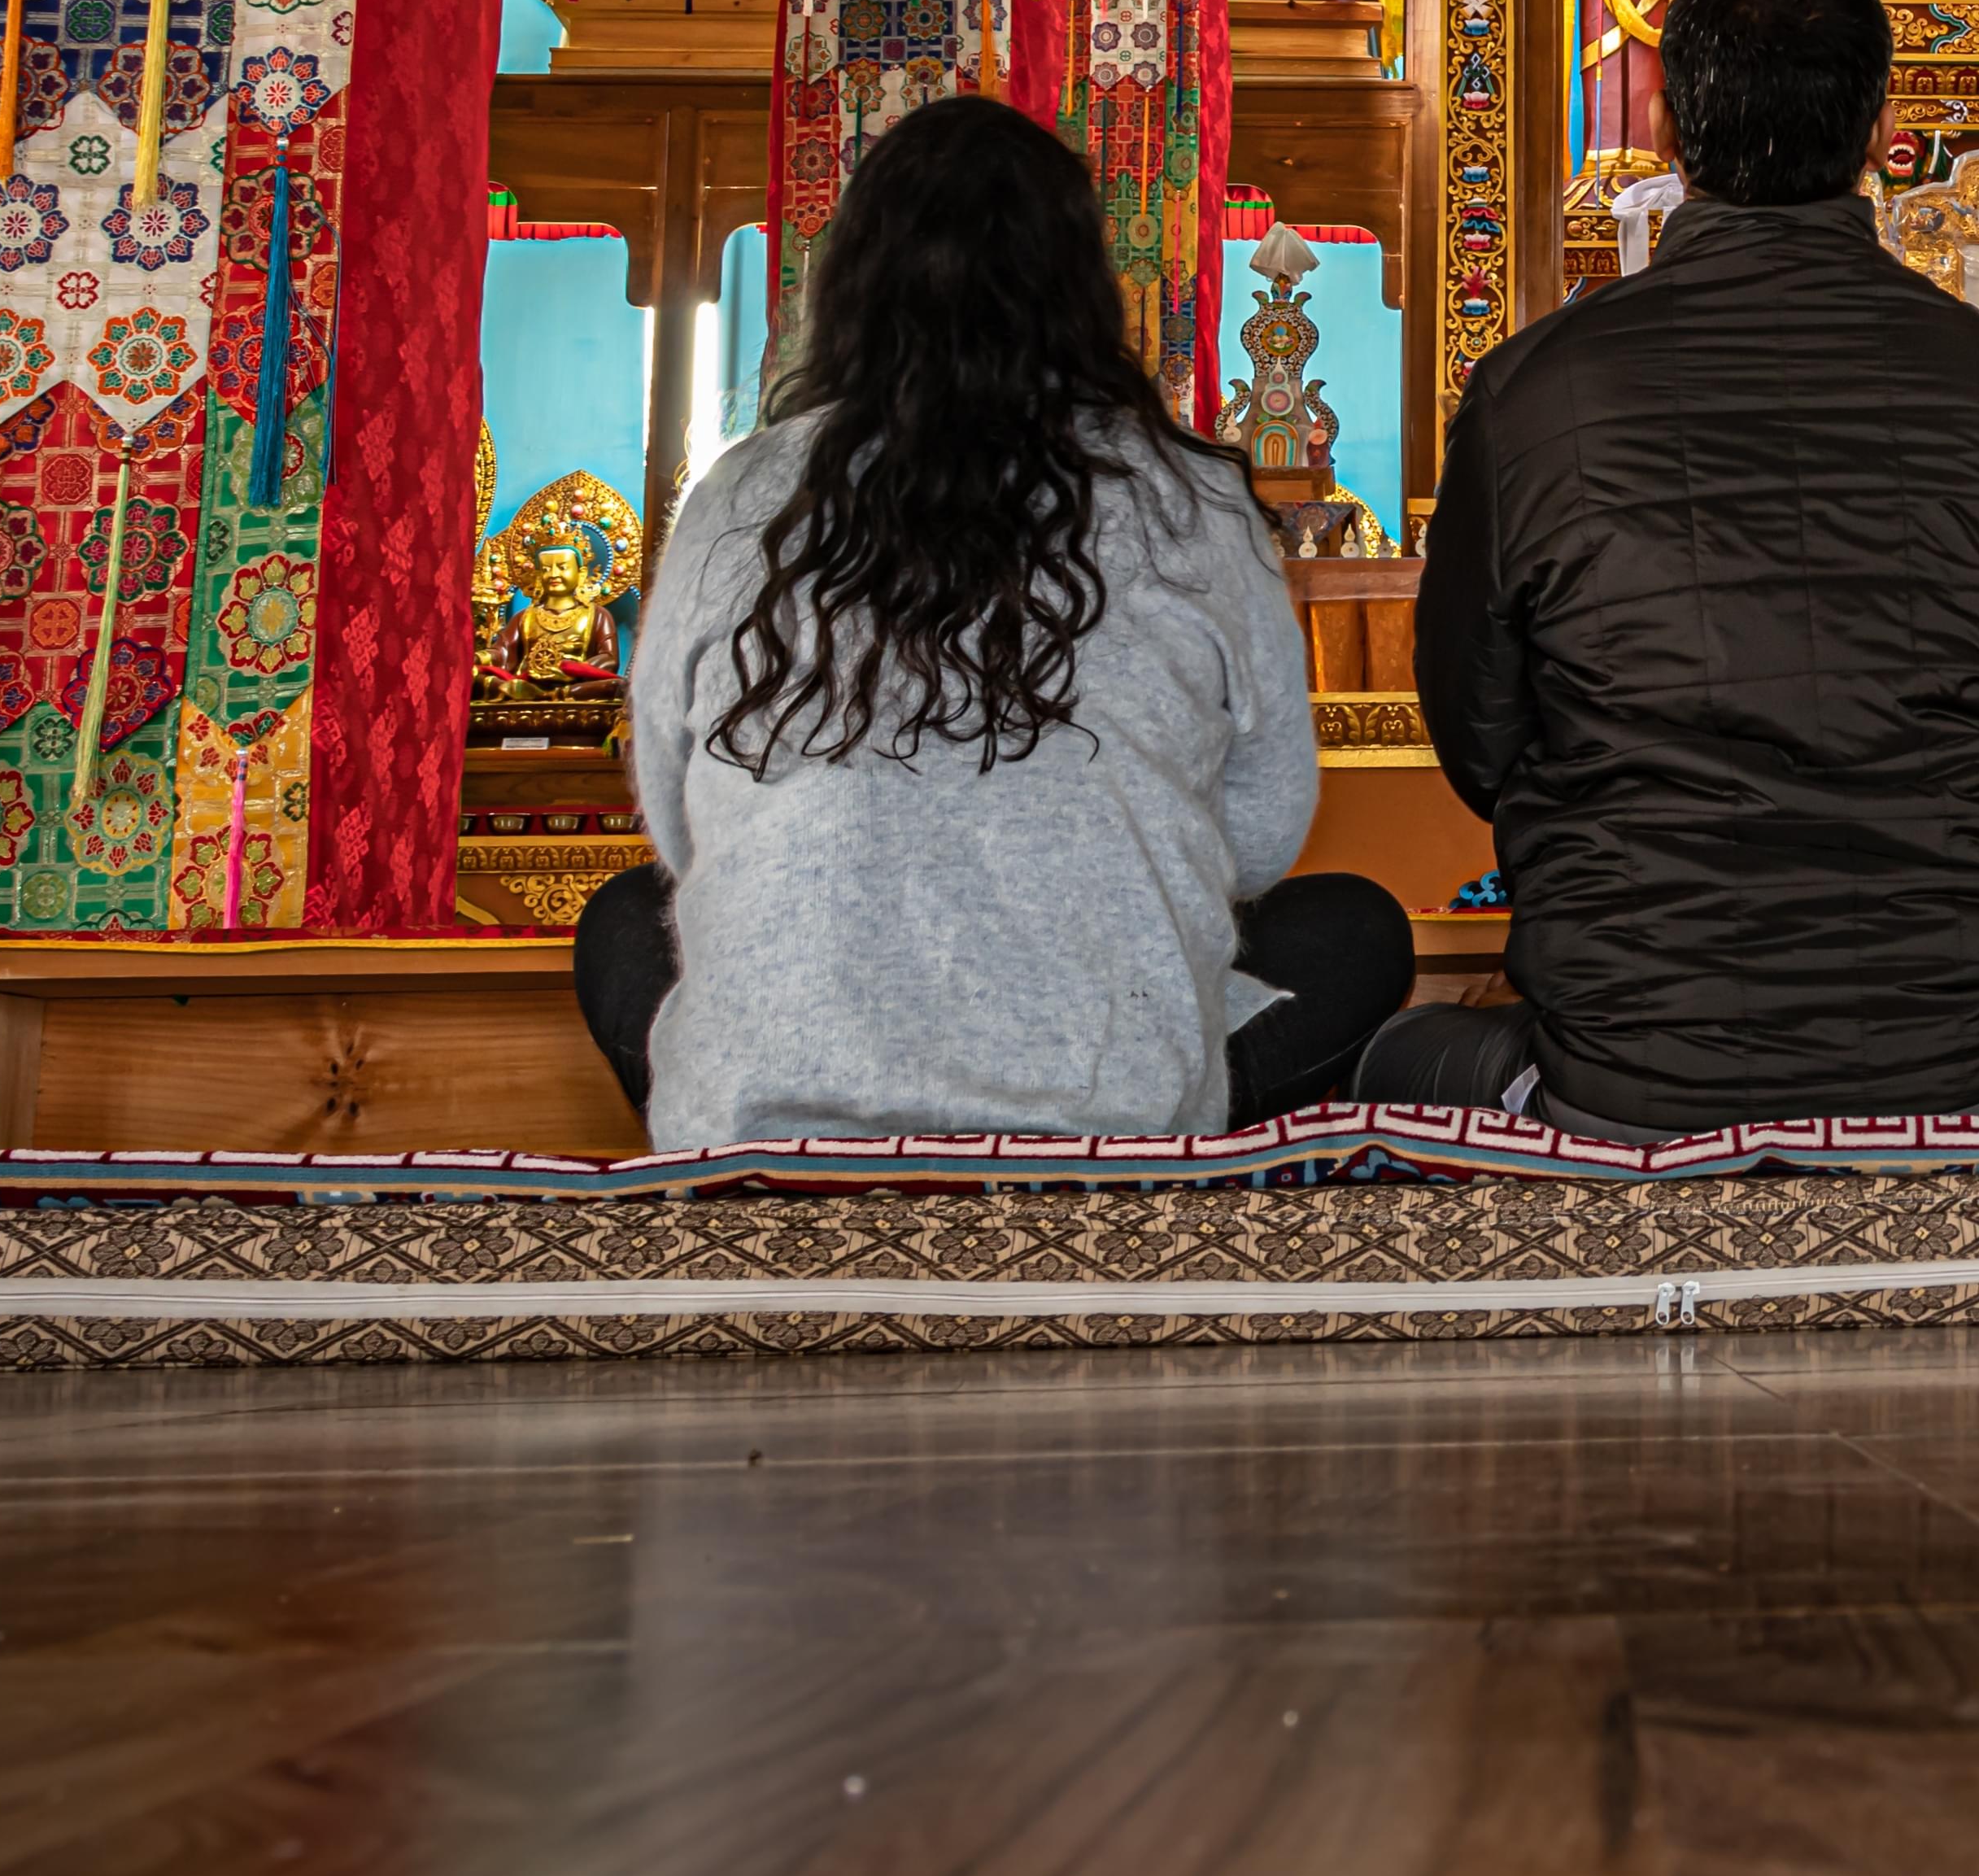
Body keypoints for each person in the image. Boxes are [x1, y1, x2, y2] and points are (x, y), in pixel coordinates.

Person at [1367, 0, 1979, 1134]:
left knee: (1401, 1047)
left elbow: (1480, 735)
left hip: (1637, 1063)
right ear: (1885, 129)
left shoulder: (1532, 390)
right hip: (1959, 1061)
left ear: (1667, 131)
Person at [576, 95, 1410, 1149]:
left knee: (620, 925)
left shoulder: (742, 493)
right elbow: (1258, 839)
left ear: (852, 289)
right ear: (1080, 293)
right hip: (1105, 1118)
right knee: (1355, 932)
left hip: (769, 1126)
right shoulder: (1189, 500)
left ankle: (765, 1141)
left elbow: (676, 816)